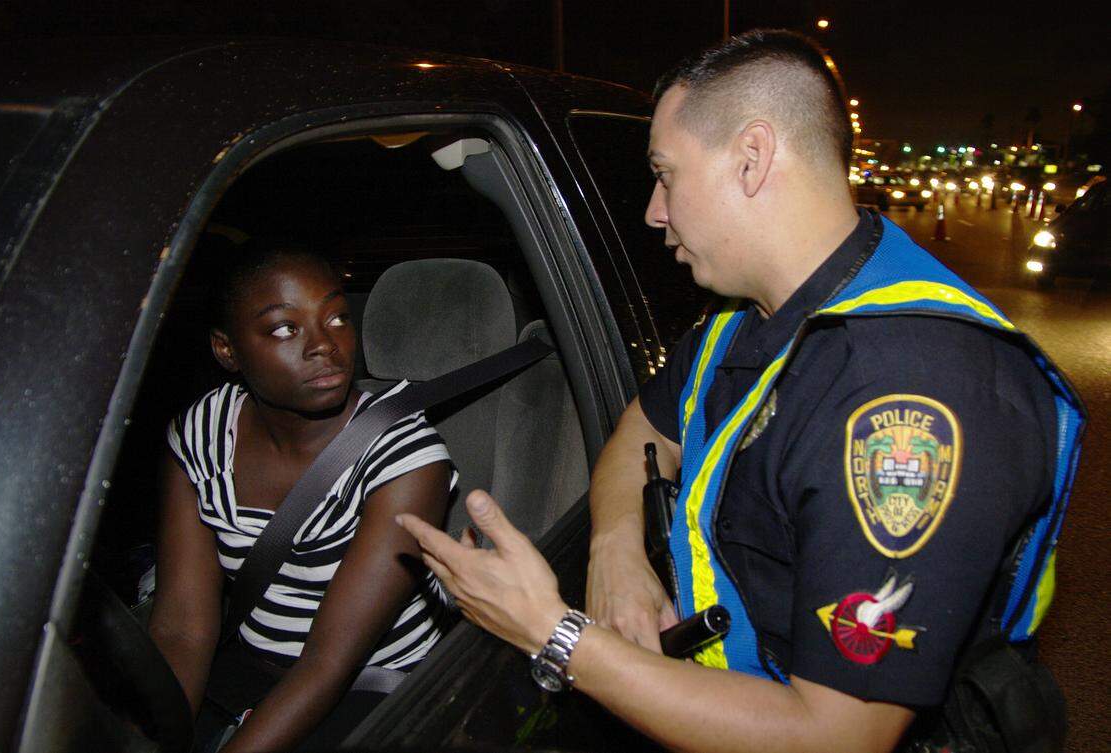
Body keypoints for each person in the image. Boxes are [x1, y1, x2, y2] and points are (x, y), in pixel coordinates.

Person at [396, 29, 1083, 753]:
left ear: (752, 158)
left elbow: (839, 737)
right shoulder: (750, 318)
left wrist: (554, 632)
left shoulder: (914, 393)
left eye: (666, 173)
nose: (654, 211)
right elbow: (643, 428)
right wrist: (615, 548)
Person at [148, 239, 456, 753]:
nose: (323, 345)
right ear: (227, 350)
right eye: (285, 328)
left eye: (336, 318)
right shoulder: (203, 432)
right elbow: (182, 626)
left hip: (370, 682)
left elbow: (328, 664)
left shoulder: (406, 456)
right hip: (248, 667)